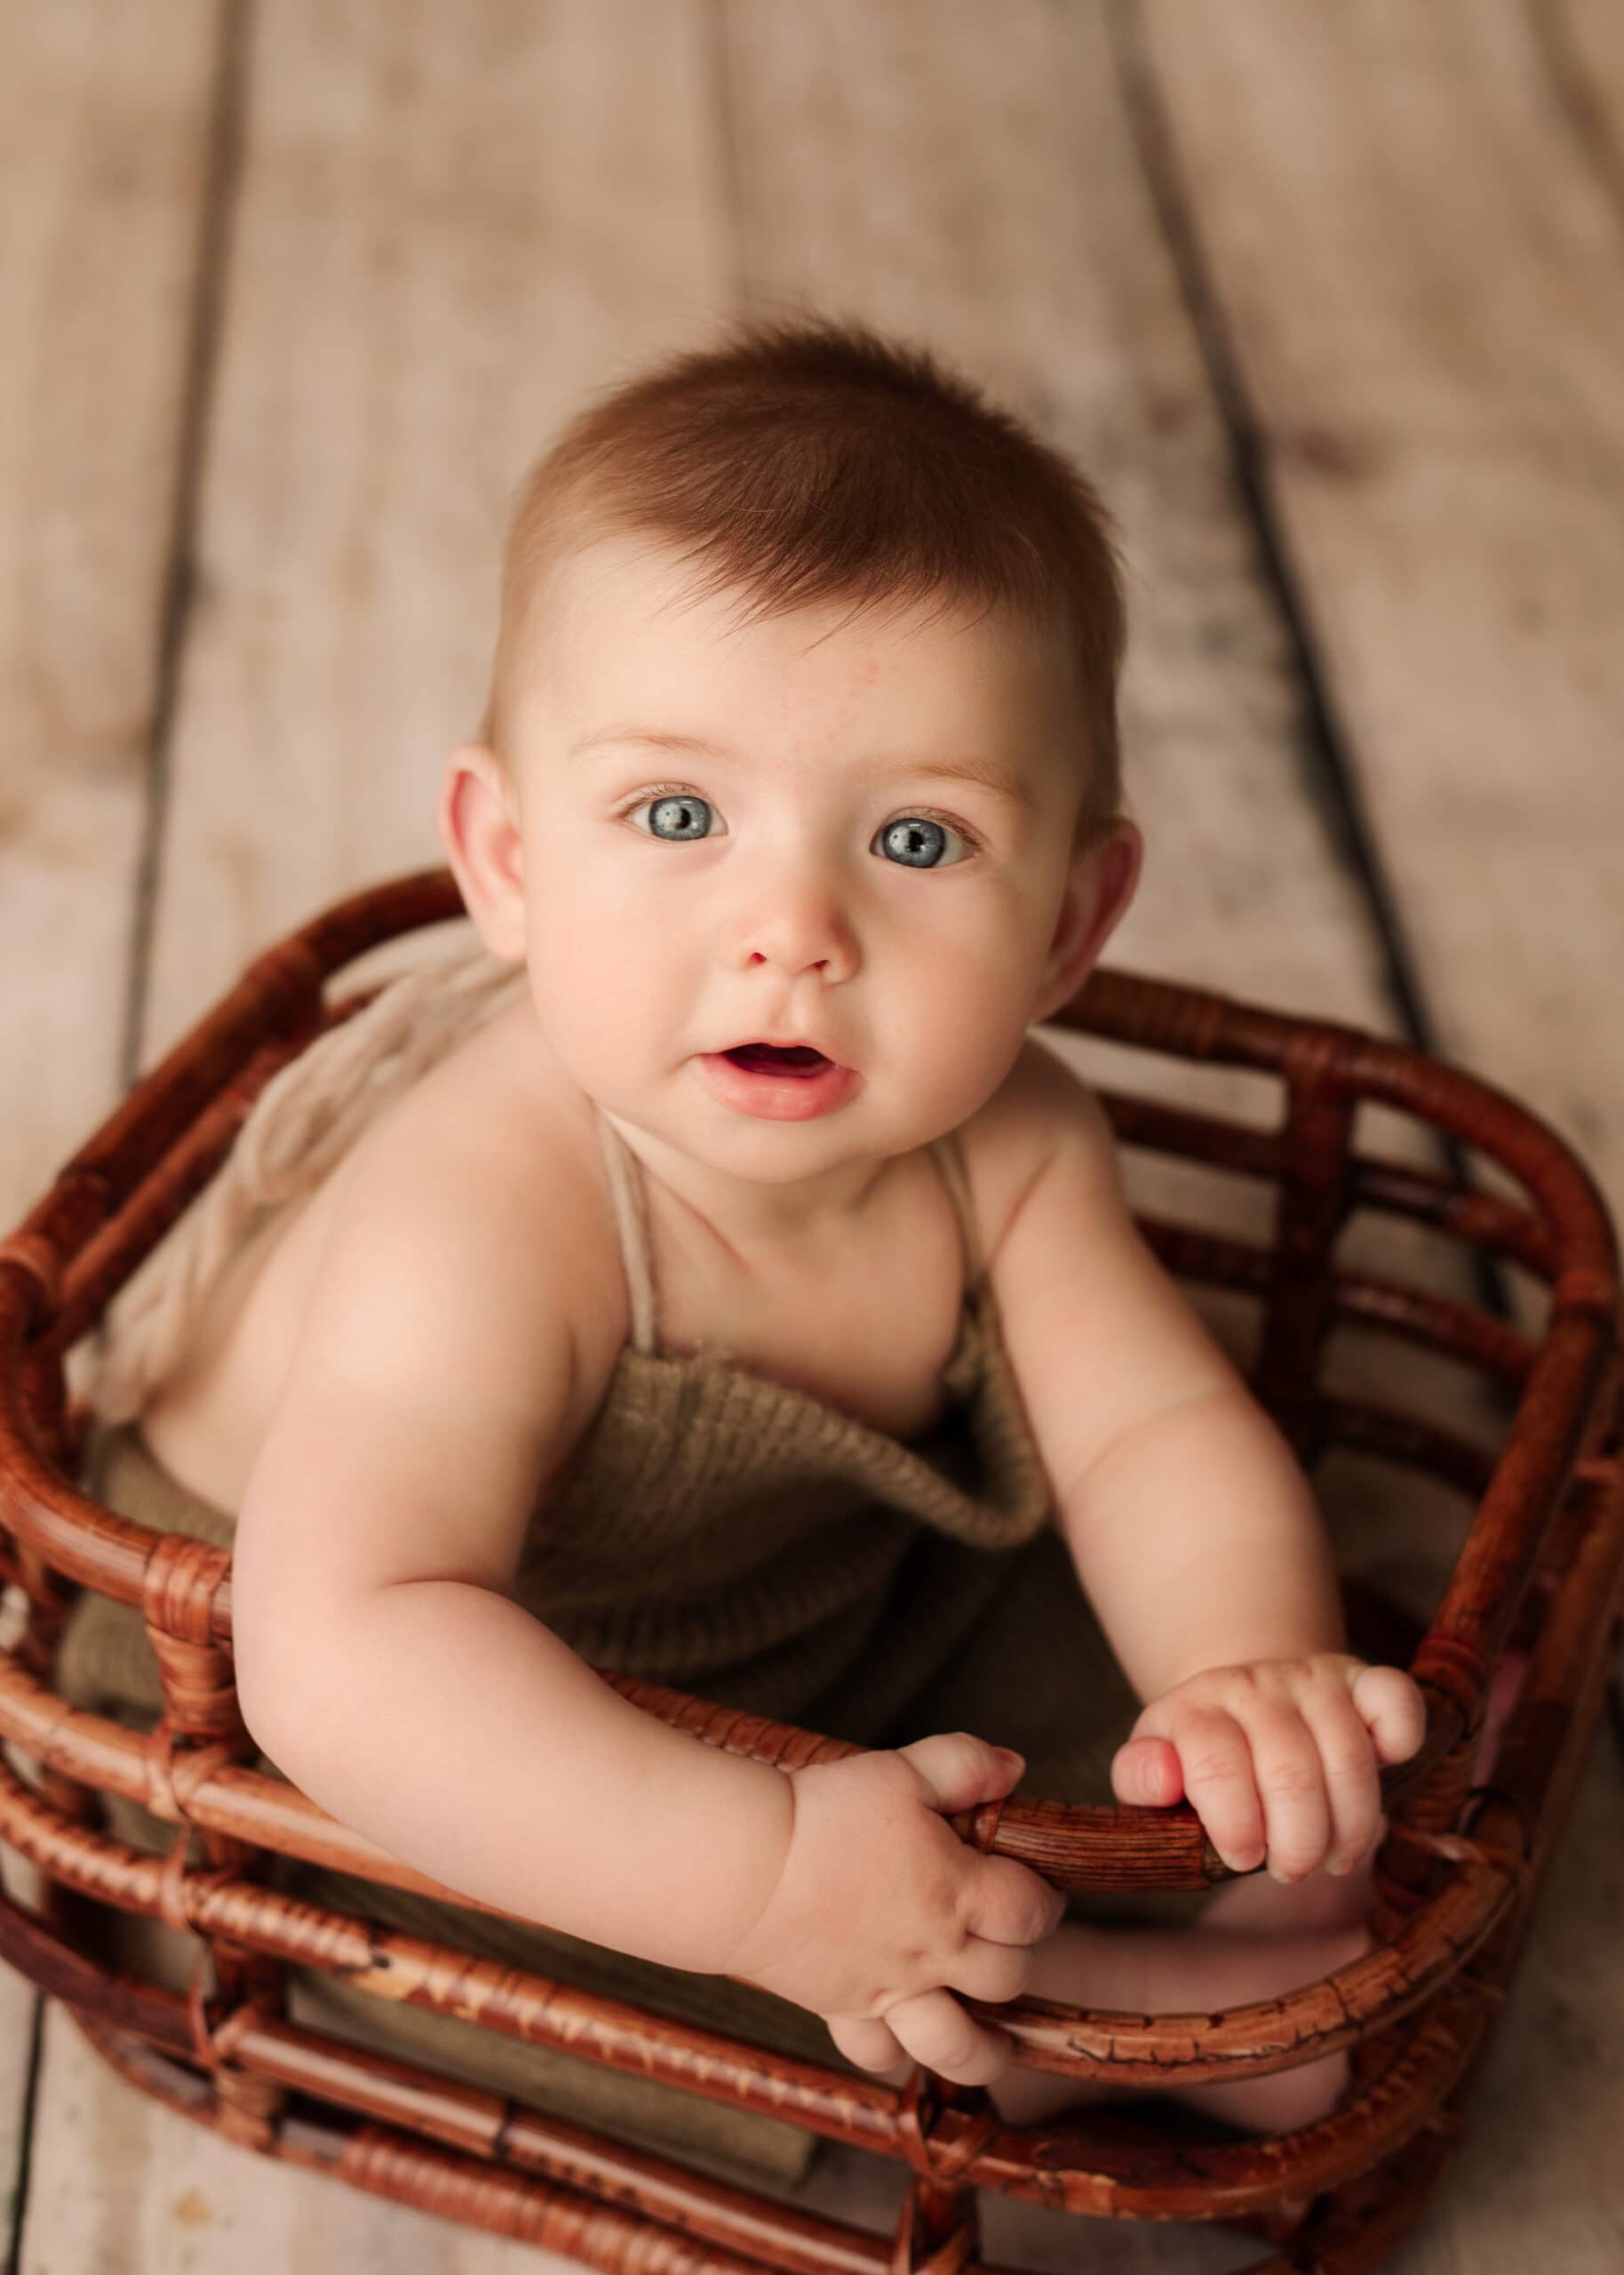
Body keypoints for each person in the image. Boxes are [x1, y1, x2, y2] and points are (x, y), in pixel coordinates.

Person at [65, 313, 1424, 2178]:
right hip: (385, 1655)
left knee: (1199, 1619)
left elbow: (1145, 1433)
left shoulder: (1011, 1137)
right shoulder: (496, 1194)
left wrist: (1241, 1666)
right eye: (679, 814)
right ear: (508, 857)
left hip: (794, 1600)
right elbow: (347, 1645)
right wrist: (762, 1878)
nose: (792, 928)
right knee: (517, 1923)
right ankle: (1092, 2022)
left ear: (1070, 920)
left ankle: (1162, 1912)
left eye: (920, 840)